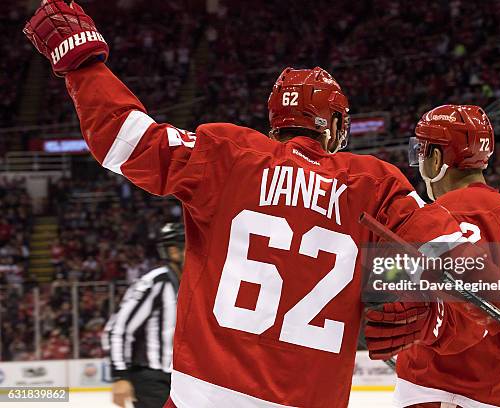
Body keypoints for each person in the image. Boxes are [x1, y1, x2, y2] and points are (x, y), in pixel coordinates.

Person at [23, 2, 473, 406]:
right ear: (334, 125)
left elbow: (125, 141)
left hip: (201, 394)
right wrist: (427, 307)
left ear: (275, 121)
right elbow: (457, 253)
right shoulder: (372, 182)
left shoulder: (228, 152)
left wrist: (83, 64)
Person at [364, 105, 500, 408]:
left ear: (437, 158)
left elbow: (466, 302)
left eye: (423, 152)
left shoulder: (452, 213)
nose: (420, 162)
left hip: (451, 390)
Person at [103, 223, 184, 408]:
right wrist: (120, 375)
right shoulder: (156, 282)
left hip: (179, 380)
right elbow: (118, 329)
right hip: (152, 379)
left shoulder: (191, 285)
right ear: (173, 252)